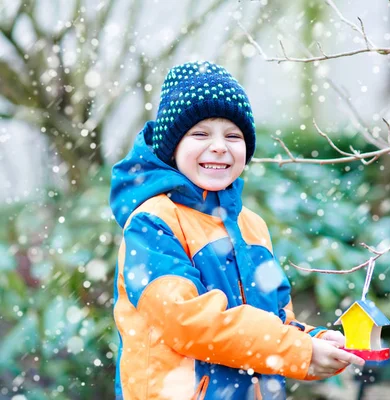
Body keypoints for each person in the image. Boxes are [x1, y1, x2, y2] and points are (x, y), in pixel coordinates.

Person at [109, 61, 364, 400]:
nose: (219, 146)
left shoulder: (251, 225)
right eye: (200, 134)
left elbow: (274, 319)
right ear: (172, 147)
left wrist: (310, 340)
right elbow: (187, 323)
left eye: (233, 135)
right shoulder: (152, 223)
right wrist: (294, 350)